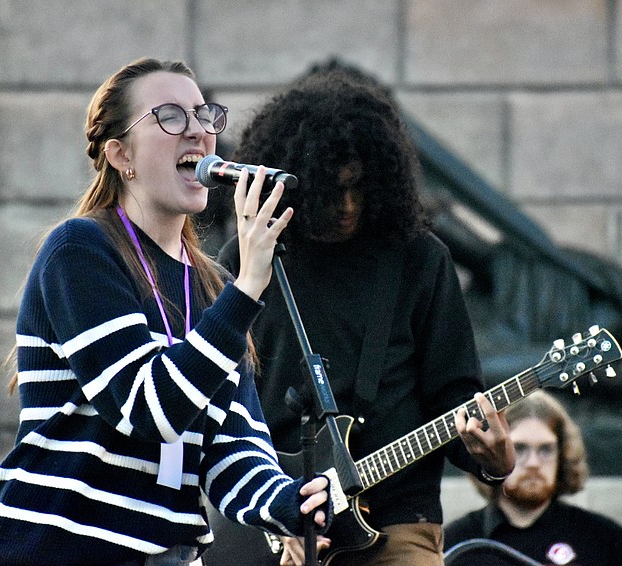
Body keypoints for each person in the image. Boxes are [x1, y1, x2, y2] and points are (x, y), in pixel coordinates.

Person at [0, 57, 331, 566]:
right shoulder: (80, 251)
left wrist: (288, 502)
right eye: (170, 117)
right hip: (54, 551)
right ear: (121, 156)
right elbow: (147, 409)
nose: (198, 133)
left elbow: (232, 448)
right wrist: (249, 287)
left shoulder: (213, 287)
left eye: (203, 116)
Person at [211, 64, 515, 566]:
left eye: (360, 186)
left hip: (397, 517)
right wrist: (275, 510)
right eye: (332, 191)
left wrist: (494, 461)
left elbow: (452, 392)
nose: (349, 205)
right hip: (267, 524)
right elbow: (223, 408)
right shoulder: (247, 261)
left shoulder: (418, 258)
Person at [444, 390, 622, 565]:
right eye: (519, 449)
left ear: (563, 454)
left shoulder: (605, 540)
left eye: (546, 449)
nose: (533, 463)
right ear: (493, 452)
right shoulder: (456, 543)